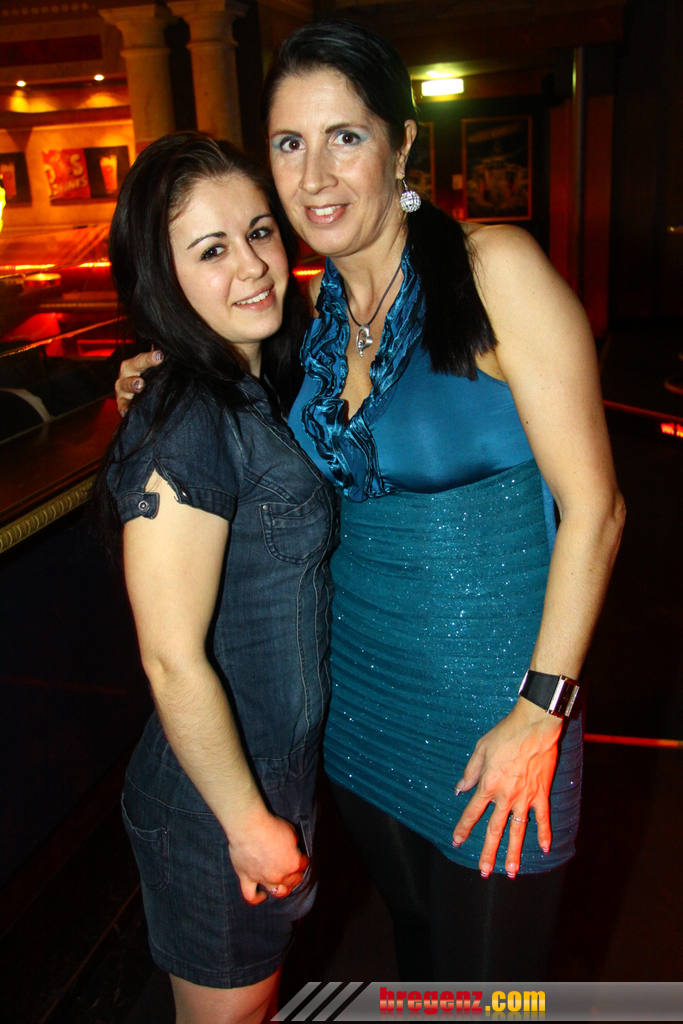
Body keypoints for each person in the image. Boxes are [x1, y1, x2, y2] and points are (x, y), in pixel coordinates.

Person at [117, 22, 625, 982]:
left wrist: (541, 710)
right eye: (288, 143)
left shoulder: (491, 270)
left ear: (401, 146)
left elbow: (595, 510)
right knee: (420, 955)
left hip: (501, 711)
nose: (314, 175)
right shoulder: (304, 320)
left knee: (494, 994)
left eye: (344, 136)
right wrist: (158, 370)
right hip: (359, 709)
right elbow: (229, 420)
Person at [98, 133, 337, 1024]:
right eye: (210, 250)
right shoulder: (190, 415)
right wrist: (247, 824)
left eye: (259, 232)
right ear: (162, 278)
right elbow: (169, 659)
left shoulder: (252, 386)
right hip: (215, 804)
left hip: (269, 780)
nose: (252, 265)